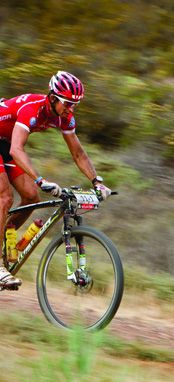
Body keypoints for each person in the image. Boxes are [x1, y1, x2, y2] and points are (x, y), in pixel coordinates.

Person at [0, 71, 112, 288]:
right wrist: (40, 179)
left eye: (74, 105)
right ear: (52, 98)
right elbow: (16, 149)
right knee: (5, 197)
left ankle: (5, 237)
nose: (70, 109)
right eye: (67, 103)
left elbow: (78, 154)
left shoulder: (65, 117)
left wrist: (96, 181)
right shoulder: (32, 108)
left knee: (31, 196)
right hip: (8, 143)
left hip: (3, 142)